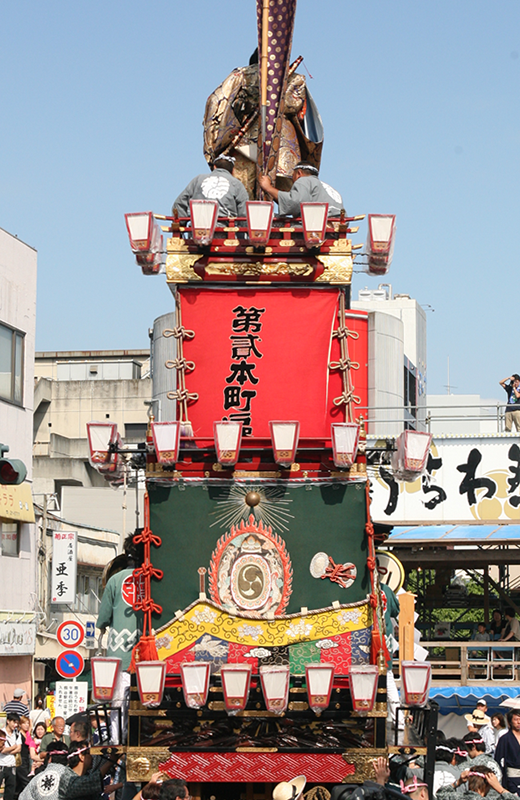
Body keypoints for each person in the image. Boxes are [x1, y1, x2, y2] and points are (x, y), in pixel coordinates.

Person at [97, 535, 144, 745]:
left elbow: (104, 616)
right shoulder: (149, 578)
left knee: (117, 700)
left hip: (119, 652)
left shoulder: (115, 580)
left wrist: (101, 625)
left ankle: (118, 739)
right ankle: (139, 736)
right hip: (145, 651)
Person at [172, 155, 249, 219]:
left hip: (197, 229)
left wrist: (181, 224)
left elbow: (179, 203)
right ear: (233, 171)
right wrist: (241, 234)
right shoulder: (237, 184)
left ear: (214, 167)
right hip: (225, 230)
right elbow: (244, 212)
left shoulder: (198, 179)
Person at [259, 163, 344, 217]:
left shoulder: (304, 180)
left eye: (293, 176)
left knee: (267, 219)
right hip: (335, 230)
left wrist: (268, 187)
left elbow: (294, 203)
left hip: (317, 228)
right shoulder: (330, 189)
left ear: (299, 173)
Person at [437, 766, 515, 800]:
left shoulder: (456, 797)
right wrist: (499, 788)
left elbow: (440, 794)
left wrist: (458, 782)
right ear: (488, 784)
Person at [496, 709, 520, 793]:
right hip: (512, 778)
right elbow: (498, 759)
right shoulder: (505, 739)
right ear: (510, 722)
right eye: (516, 719)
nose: (519, 722)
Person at [0, 713, 22, 800]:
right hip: (1, 764)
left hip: (12, 765)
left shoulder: (17, 734)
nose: (15, 725)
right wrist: (13, 747)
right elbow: (2, 750)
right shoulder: (1, 733)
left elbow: (19, 749)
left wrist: (7, 750)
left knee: (10, 790)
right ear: (8, 721)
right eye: (14, 722)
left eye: (17, 723)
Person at [16, 716, 36, 796]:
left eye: (28, 723)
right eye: (24, 723)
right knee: (25, 781)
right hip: (20, 760)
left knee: (19, 784)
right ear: (20, 724)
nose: (27, 725)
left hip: (27, 760)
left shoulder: (28, 735)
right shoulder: (18, 735)